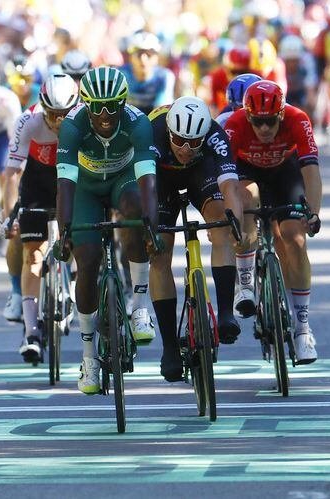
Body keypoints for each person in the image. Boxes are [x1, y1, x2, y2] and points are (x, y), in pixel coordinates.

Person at [55, 66, 160, 395]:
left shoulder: (138, 123)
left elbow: (148, 182)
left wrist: (151, 227)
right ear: (85, 104)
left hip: (122, 180)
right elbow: (65, 186)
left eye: (111, 105)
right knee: (86, 261)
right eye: (96, 106)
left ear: (122, 103)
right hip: (84, 189)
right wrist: (65, 233)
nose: (104, 114)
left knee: (135, 212)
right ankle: (89, 357)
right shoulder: (72, 127)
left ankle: (139, 305)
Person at [224, 80, 322, 363]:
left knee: (293, 237)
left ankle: (302, 329)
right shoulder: (235, 123)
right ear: (248, 116)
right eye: (257, 121)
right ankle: (245, 284)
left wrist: (313, 212)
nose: (264, 129)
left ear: (281, 114)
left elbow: (311, 171)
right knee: (246, 200)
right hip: (246, 170)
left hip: (285, 172)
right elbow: (226, 179)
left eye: (270, 122)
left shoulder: (298, 119)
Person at [148, 96, 243, 380]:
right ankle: (169, 349)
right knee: (159, 251)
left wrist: (234, 219)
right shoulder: (151, 132)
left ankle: (226, 312)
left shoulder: (215, 135)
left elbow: (230, 185)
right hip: (159, 180)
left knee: (221, 224)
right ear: (168, 131)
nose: (186, 148)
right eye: (179, 140)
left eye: (194, 142)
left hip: (199, 176)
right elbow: (143, 184)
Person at [3, 74, 79, 364]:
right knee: (32, 255)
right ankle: (31, 332)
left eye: (65, 115)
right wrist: (9, 215)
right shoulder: (29, 120)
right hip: (36, 179)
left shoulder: (84, 119)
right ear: (41, 106)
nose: (59, 121)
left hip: (71, 175)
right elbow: (12, 173)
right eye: (52, 115)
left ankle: (71, 284)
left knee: (77, 238)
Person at [0, 66, 23, 321]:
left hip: (2, 138)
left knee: (4, 172)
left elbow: (16, 147)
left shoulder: (8, 102)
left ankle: (2, 212)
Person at [118, 32, 176, 116]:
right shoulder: (120, 75)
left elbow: (161, 113)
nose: (143, 59)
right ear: (131, 57)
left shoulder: (164, 77)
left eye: (149, 54)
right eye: (139, 53)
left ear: (156, 58)